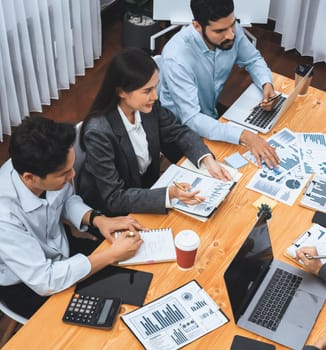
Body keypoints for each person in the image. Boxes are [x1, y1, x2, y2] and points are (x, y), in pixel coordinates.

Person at [0, 116, 145, 319]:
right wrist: (111, 255)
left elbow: (66, 200)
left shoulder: (46, 169)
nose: (73, 175)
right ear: (29, 178)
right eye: (64, 174)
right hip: (27, 285)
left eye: (71, 167)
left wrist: (97, 219)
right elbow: (45, 280)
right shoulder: (4, 217)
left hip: (63, 251)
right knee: (107, 320)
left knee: (137, 280)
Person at [78, 48, 231, 217]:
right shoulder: (98, 133)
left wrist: (207, 159)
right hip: (113, 210)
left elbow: (177, 132)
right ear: (121, 92)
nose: (155, 97)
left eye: (155, 88)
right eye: (147, 91)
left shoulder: (148, 108)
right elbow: (114, 197)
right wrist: (170, 194)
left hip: (146, 189)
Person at [158, 0, 280, 168]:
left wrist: (267, 84)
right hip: (180, 131)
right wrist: (245, 136)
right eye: (220, 31)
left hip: (211, 113)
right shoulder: (177, 58)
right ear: (197, 26)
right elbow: (192, 118)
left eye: (232, 24)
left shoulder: (231, 29)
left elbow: (253, 60)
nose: (230, 35)